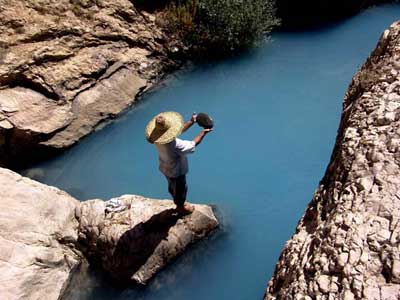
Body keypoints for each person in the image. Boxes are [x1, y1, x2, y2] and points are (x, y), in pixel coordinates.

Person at [145, 111, 212, 214]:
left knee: (172, 187)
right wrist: (204, 132)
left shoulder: (157, 137)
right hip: (176, 171)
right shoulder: (175, 145)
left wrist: (191, 121)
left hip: (165, 167)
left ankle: (177, 201)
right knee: (181, 189)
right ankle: (180, 207)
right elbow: (192, 144)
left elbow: (177, 131)